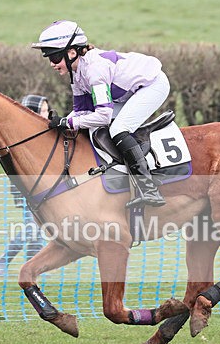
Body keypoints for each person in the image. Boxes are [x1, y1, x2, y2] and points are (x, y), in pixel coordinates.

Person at [31, 20, 170, 207]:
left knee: (119, 129)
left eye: (55, 58)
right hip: (127, 92)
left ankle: (149, 189)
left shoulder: (94, 70)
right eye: (48, 59)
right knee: (93, 129)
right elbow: (82, 111)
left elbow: (102, 116)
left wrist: (69, 123)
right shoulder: (77, 72)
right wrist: (62, 121)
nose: (52, 64)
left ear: (72, 52)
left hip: (152, 85)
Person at [0, 94, 49, 276]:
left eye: (47, 110)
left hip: (45, 190)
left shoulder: (45, 134)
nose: (46, 115)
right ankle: (4, 260)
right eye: (42, 111)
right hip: (26, 190)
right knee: (31, 228)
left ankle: (34, 268)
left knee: (38, 230)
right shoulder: (20, 139)